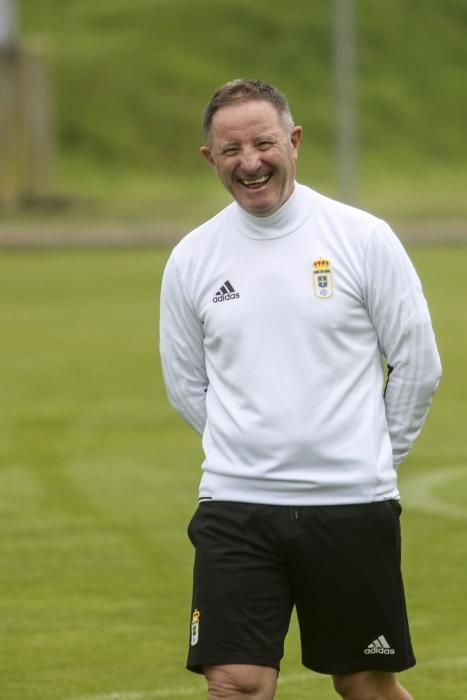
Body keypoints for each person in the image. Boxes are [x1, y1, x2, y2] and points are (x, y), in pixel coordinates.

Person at [159, 79, 442, 700]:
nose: (250, 161)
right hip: (235, 504)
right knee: (235, 683)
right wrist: (246, 447)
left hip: (350, 504)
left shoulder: (362, 239)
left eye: (263, 143)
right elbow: (185, 382)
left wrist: (372, 455)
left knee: (364, 682)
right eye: (231, 150)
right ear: (210, 157)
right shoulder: (191, 258)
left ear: (294, 140)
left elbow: (418, 362)